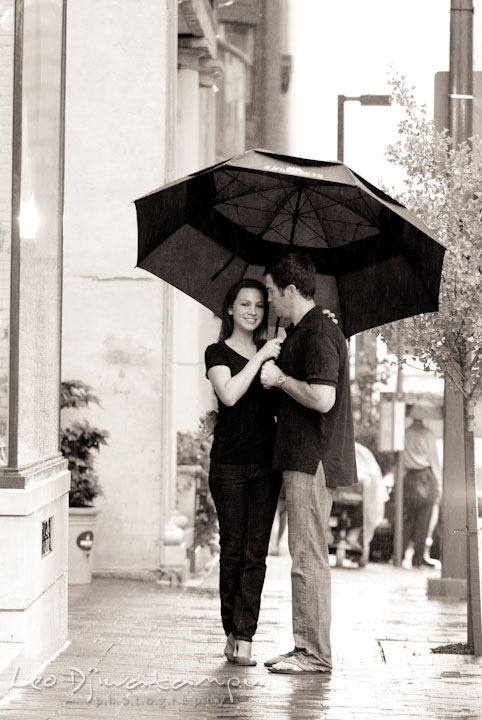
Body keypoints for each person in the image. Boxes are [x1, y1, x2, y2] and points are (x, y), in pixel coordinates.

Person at [260, 253, 358, 674]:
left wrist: (280, 379)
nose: (268, 301)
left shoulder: (319, 333)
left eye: (270, 292)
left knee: (309, 556)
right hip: (302, 457)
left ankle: (314, 654)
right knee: (304, 554)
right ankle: (304, 647)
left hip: (312, 459)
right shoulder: (305, 330)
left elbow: (323, 398)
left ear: (291, 290)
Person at [205, 278, 283, 666]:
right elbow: (230, 394)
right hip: (229, 466)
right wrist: (261, 355)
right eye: (245, 304)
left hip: (267, 466)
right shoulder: (216, 352)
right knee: (232, 552)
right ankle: (231, 631)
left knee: (257, 554)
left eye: (258, 306)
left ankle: (246, 637)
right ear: (231, 309)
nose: (252, 311)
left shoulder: (273, 355)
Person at [402, 407, 442, 568]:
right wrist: (438, 482)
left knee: (407, 519)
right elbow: (434, 460)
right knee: (423, 520)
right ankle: (418, 557)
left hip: (409, 477)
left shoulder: (405, 433)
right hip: (425, 477)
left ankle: (400, 552)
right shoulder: (428, 434)